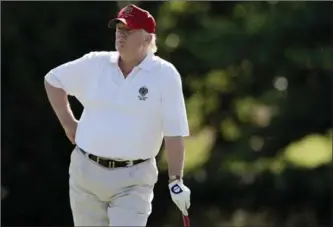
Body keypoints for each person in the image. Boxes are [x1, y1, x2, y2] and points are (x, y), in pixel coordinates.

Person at [44, 4, 191, 227]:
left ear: (147, 38)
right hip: (86, 173)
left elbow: (174, 132)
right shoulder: (96, 63)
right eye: (119, 30)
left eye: (129, 31)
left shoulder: (165, 75)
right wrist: (68, 123)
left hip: (134, 180)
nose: (121, 36)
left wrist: (175, 180)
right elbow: (53, 80)